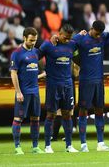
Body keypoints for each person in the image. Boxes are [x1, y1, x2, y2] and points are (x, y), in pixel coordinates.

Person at [72, 20, 109, 152]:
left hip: (99, 80)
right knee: (83, 111)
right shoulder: (81, 39)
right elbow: (67, 45)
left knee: (99, 110)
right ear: (91, 28)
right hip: (86, 80)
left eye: (100, 34)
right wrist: (77, 35)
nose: (98, 36)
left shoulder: (102, 37)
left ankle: (100, 143)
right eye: (96, 33)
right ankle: (83, 144)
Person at [40, 24, 79, 153]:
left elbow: (81, 40)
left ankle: (69, 145)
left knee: (68, 115)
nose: (67, 40)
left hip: (68, 85)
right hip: (53, 85)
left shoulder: (72, 44)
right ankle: (47, 146)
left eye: (69, 38)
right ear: (59, 34)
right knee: (51, 114)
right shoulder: (48, 45)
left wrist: (84, 33)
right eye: (65, 37)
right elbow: (35, 56)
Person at [10, 27, 44, 154]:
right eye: (31, 40)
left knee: (35, 119)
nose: (33, 43)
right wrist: (18, 91)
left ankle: (35, 146)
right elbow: (14, 74)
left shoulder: (35, 52)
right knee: (18, 119)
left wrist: (42, 75)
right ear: (24, 38)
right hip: (23, 92)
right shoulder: (17, 53)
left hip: (35, 92)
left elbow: (32, 72)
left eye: (35, 40)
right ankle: (17, 147)